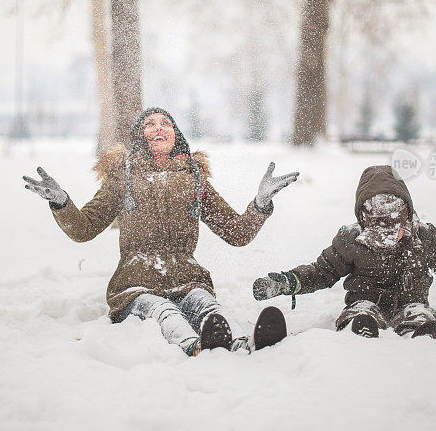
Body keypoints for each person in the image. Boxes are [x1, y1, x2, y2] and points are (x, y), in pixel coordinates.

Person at [23, 107, 298, 355]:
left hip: (187, 279)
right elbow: (83, 229)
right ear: (140, 136)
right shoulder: (123, 177)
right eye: (149, 124)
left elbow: (237, 232)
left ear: (174, 135)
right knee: (164, 311)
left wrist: (260, 204)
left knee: (207, 304)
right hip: (135, 286)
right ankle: (195, 347)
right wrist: (61, 202)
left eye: (165, 123)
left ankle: (242, 342)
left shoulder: (194, 179)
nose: (158, 127)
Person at [252, 165, 436, 340]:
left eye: (394, 228)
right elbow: (322, 272)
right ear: (362, 220)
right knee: (363, 309)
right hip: (363, 303)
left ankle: (419, 331)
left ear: (407, 218)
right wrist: (288, 281)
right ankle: (359, 328)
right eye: (377, 229)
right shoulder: (349, 241)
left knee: (420, 313)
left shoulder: (424, 239)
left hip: (412, 303)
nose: (386, 237)